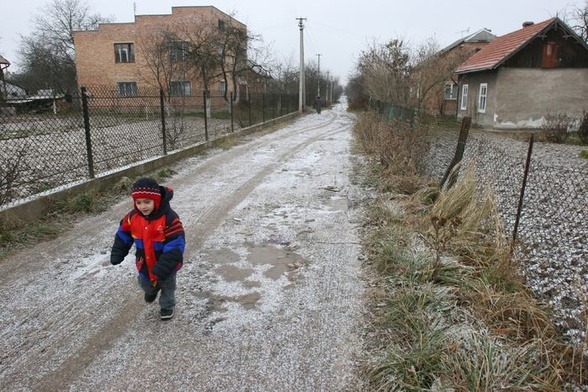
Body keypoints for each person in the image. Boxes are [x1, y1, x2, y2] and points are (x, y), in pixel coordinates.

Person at [110, 177, 185, 320]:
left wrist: (164, 266)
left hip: (165, 266)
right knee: (144, 283)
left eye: (147, 202)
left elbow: (176, 244)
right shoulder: (132, 217)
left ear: (155, 201)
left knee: (168, 288)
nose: (142, 206)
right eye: (138, 202)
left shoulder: (169, 219)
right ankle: (151, 289)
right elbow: (123, 234)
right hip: (144, 262)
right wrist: (118, 252)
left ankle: (167, 307)